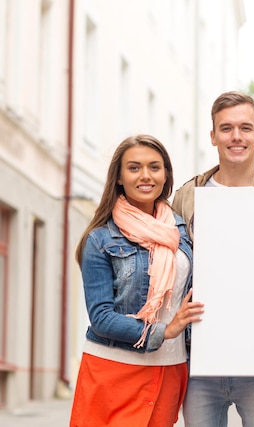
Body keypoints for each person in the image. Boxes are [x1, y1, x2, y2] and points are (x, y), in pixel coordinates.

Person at [70, 134, 205, 426]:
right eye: (134, 168)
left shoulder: (181, 230)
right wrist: (165, 330)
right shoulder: (100, 239)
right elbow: (101, 317)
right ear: (119, 177)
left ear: (166, 174)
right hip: (113, 369)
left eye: (154, 167)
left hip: (170, 369)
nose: (146, 176)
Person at [171, 90, 254, 427]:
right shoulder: (187, 196)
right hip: (199, 358)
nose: (236, 137)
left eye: (245, 128)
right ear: (213, 136)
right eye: (226, 128)